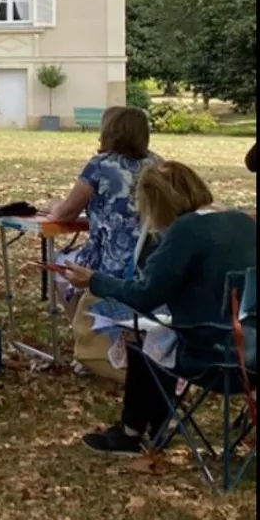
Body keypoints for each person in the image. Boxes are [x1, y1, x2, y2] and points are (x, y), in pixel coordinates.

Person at [55, 161, 257, 455]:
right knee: (162, 335)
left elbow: (145, 294)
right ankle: (157, 424)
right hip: (252, 352)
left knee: (145, 341)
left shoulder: (186, 230)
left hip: (215, 357)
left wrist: (94, 281)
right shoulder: (241, 221)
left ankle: (131, 432)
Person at [49, 106, 158, 376]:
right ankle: (113, 341)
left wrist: (53, 207)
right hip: (152, 260)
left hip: (108, 260)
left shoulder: (100, 166)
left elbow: (67, 212)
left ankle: (88, 342)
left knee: (62, 269)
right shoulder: (158, 165)